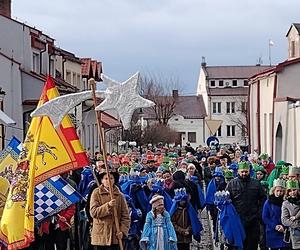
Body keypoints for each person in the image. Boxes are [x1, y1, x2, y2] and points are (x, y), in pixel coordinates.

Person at [226, 161, 266, 250]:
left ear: (249, 171)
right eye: (242, 171)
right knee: (239, 244)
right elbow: (227, 201)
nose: (244, 173)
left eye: (246, 171)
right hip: (238, 219)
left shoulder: (256, 183)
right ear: (238, 172)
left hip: (253, 220)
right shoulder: (232, 184)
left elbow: (263, 199)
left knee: (252, 244)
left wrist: (259, 213)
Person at [90, 172, 130, 250]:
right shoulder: (96, 193)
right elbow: (94, 212)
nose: (109, 181)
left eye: (111, 178)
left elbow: (126, 216)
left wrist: (122, 231)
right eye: (106, 178)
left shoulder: (120, 195)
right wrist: (108, 206)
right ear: (102, 180)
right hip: (101, 236)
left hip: (115, 236)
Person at [262, 179, 288, 250]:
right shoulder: (268, 202)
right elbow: (265, 217)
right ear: (273, 191)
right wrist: (275, 226)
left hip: (284, 231)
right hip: (272, 231)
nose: (279, 193)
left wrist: (283, 226)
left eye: (281, 191)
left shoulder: (286, 202)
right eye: (277, 191)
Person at [281, 179, 300, 250]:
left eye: (294, 190)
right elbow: (284, 220)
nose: (292, 192)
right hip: (295, 232)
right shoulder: (286, 203)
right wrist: (297, 225)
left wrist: (296, 217)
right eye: (290, 191)